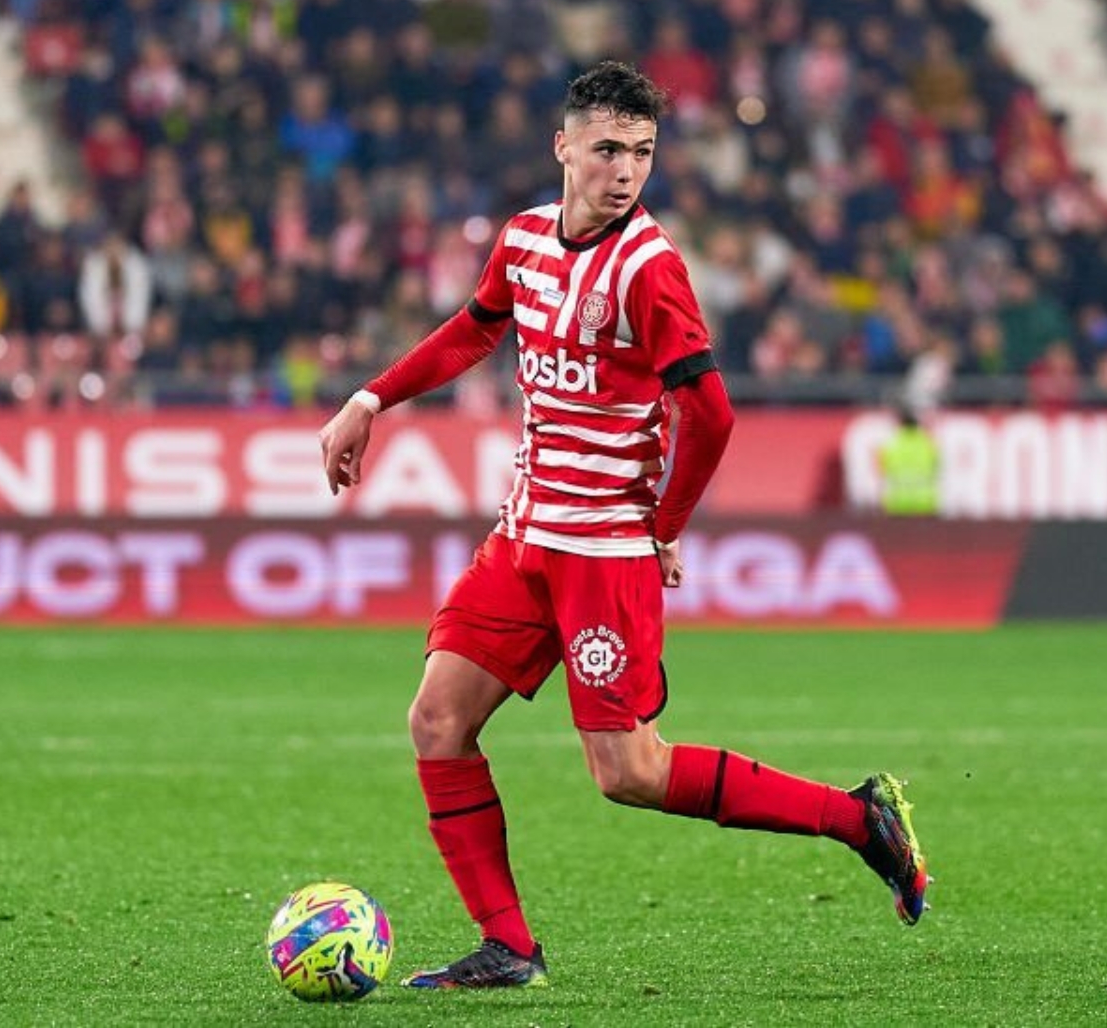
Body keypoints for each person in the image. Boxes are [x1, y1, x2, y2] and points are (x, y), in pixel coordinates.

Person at [317, 62, 932, 991]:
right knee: (438, 720)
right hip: (523, 540)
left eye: (642, 153)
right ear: (563, 146)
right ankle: (508, 947)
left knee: (628, 773)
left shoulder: (650, 270)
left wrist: (661, 525)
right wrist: (370, 398)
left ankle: (859, 819)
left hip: (605, 554)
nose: (625, 172)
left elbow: (714, 415)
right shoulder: (523, 240)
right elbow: (474, 329)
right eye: (608, 149)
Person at [880, 408, 941, 516]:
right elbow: (937, 467)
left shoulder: (892, 444)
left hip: (898, 502)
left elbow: (883, 469)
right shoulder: (928, 443)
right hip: (925, 502)